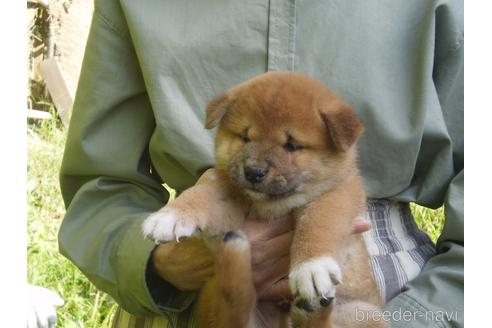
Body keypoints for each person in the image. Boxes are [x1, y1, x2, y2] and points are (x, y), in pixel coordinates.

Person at [59, 0, 463, 327]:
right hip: (189, 287)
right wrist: (157, 261)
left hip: (387, 289)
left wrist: (426, 316)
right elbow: (100, 184)